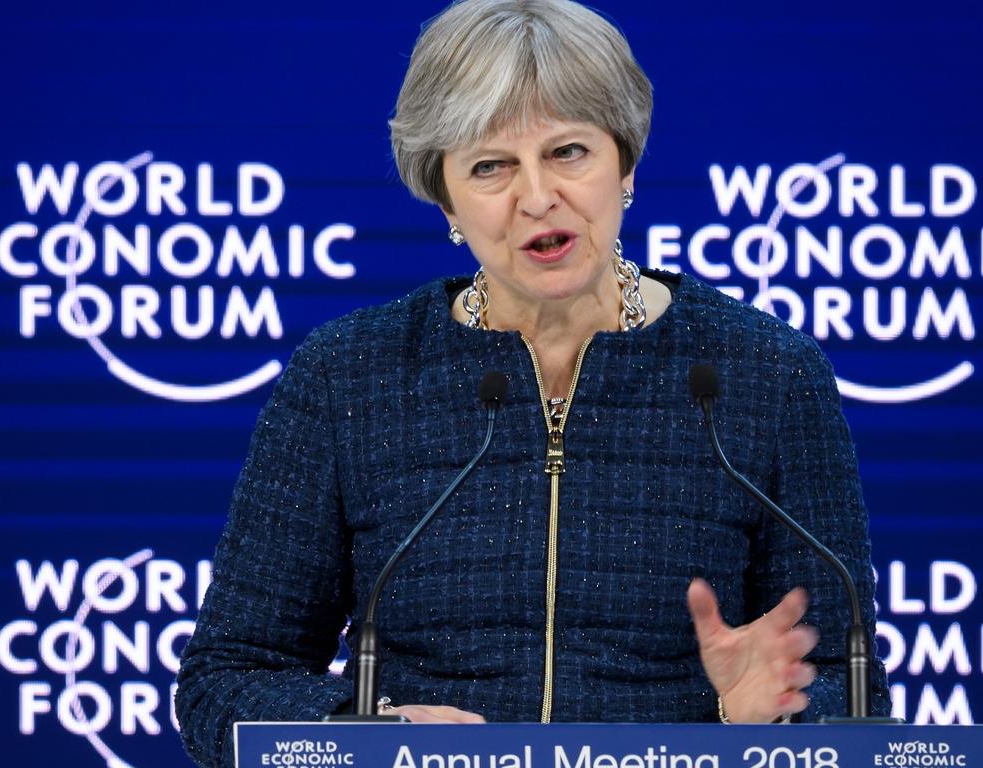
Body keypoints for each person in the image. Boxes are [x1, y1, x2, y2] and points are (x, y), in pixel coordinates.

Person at [175, 1, 890, 765]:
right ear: (445, 198)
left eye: (570, 152)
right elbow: (228, 680)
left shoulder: (766, 373)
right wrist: (373, 732)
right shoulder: (348, 376)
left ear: (626, 166)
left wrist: (769, 717)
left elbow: (850, 694)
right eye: (491, 167)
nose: (538, 197)